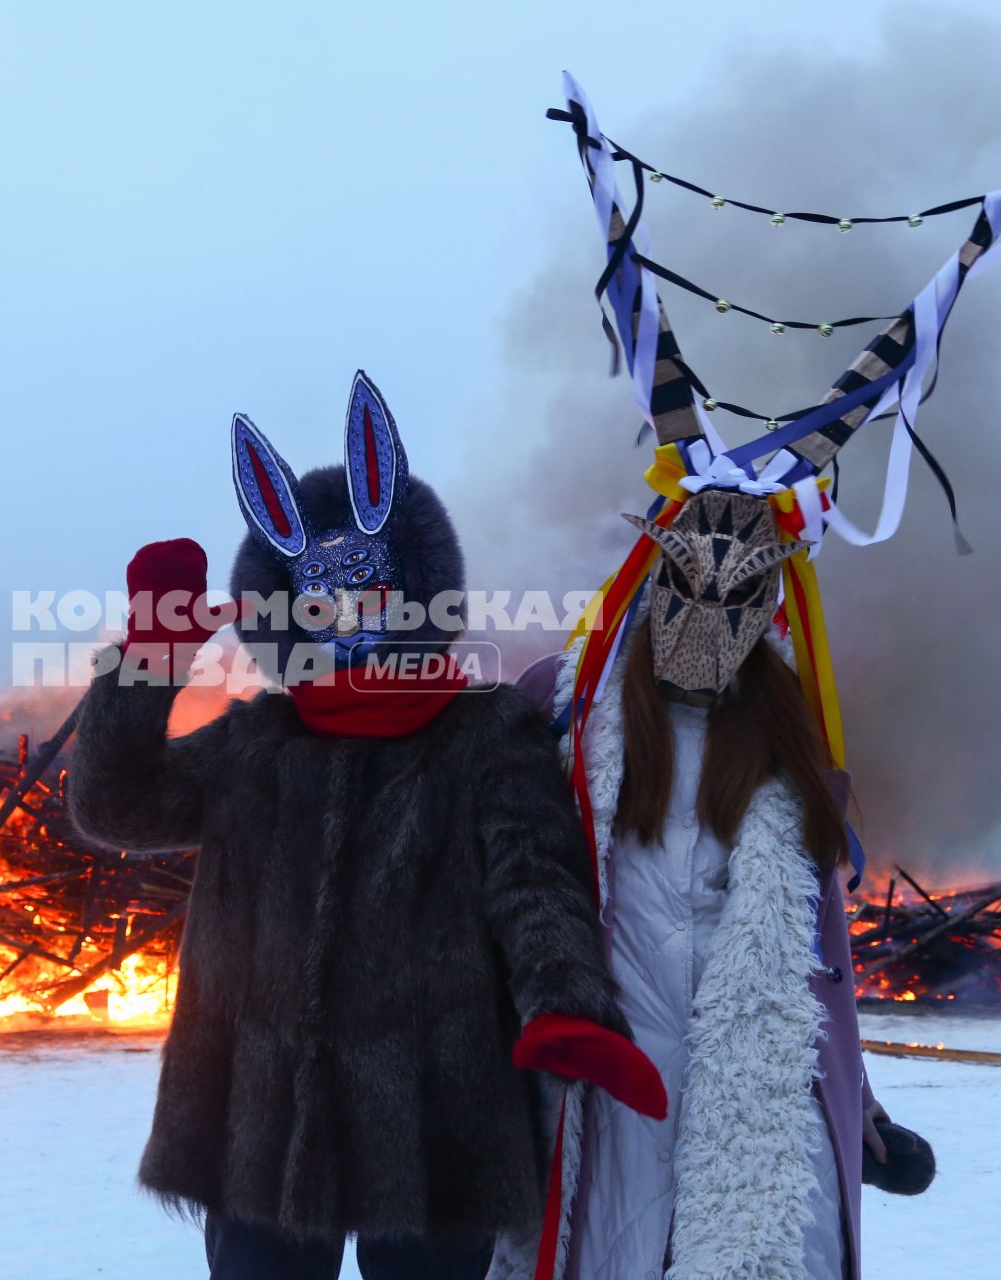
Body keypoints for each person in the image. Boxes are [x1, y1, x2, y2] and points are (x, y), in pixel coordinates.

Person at [69, 372, 662, 1280]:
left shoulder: (488, 734)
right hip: (257, 1124)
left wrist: (567, 1005)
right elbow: (116, 805)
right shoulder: (254, 742)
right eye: (322, 605)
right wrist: (152, 648)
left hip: (436, 1120)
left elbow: (534, 883)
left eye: (370, 597)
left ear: (415, 592)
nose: (348, 620)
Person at [498, 486, 888, 1280]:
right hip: (603, 1085)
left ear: (770, 599)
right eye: (687, 580)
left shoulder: (790, 739)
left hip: (756, 1103)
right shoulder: (565, 707)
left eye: (737, 591)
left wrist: (860, 1097)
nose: (706, 612)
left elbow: (813, 958)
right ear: (651, 574)